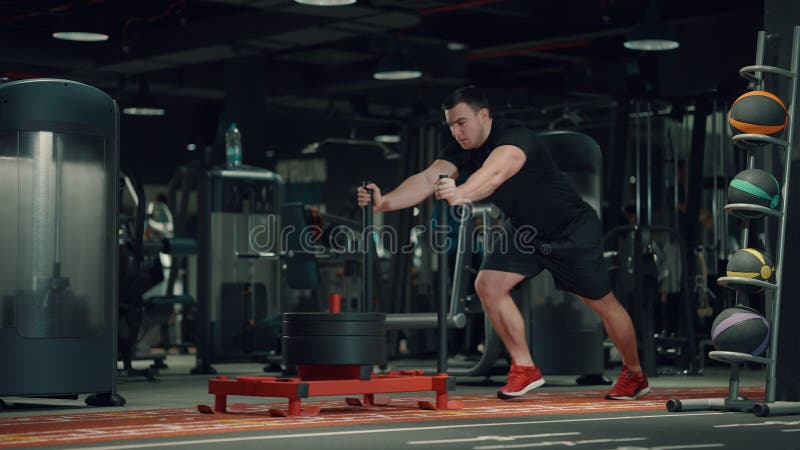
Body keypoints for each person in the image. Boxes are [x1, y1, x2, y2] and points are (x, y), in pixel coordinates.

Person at [357, 86, 650, 401]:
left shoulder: (513, 138)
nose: (456, 131)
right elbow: (429, 178)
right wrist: (384, 203)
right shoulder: (459, 148)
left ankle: (634, 374)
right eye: (451, 125)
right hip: (524, 230)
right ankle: (524, 367)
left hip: (571, 230)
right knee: (488, 285)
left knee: (602, 304)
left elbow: (493, 174)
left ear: (484, 116)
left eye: (462, 122)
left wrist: (461, 193)